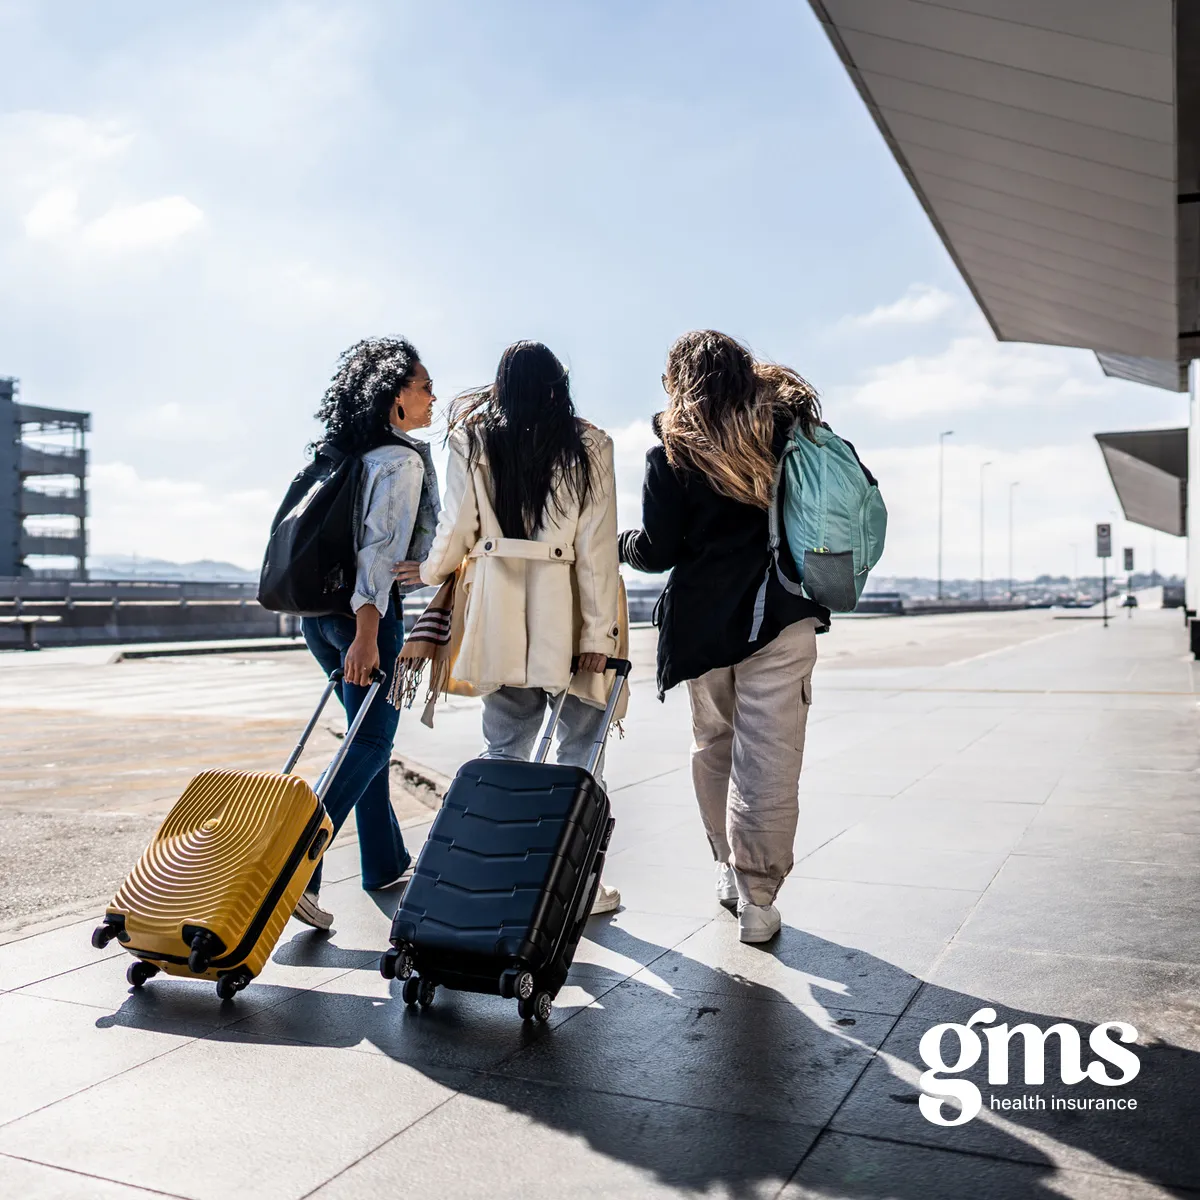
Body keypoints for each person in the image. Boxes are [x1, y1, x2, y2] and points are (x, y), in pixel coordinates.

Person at [394, 340, 623, 914]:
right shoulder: (591, 443)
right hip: (566, 607)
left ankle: (486, 871)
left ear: (500, 385)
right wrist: (599, 637)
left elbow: (457, 529)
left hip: (498, 607)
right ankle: (573, 885)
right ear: (557, 386)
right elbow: (597, 549)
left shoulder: (470, 439)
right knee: (577, 748)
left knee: (504, 745)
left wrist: (425, 571)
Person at [618, 331, 831, 944]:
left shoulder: (673, 451)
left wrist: (621, 544)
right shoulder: (787, 429)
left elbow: (658, 552)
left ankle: (726, 870)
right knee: (770, 758)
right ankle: (758, 900)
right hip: (780, 614)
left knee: (714, 744)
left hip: (705, 626)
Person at [294, 337, 441, 930]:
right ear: (394, 396)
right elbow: (378, 555)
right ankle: (296, 865)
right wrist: (367, 632)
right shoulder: (400, 460)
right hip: (365, 624)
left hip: (318, 620)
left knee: (365, 742)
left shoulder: (343, 452)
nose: (433, 395)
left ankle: (383, 862)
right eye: (424, 385)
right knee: (372, 743)